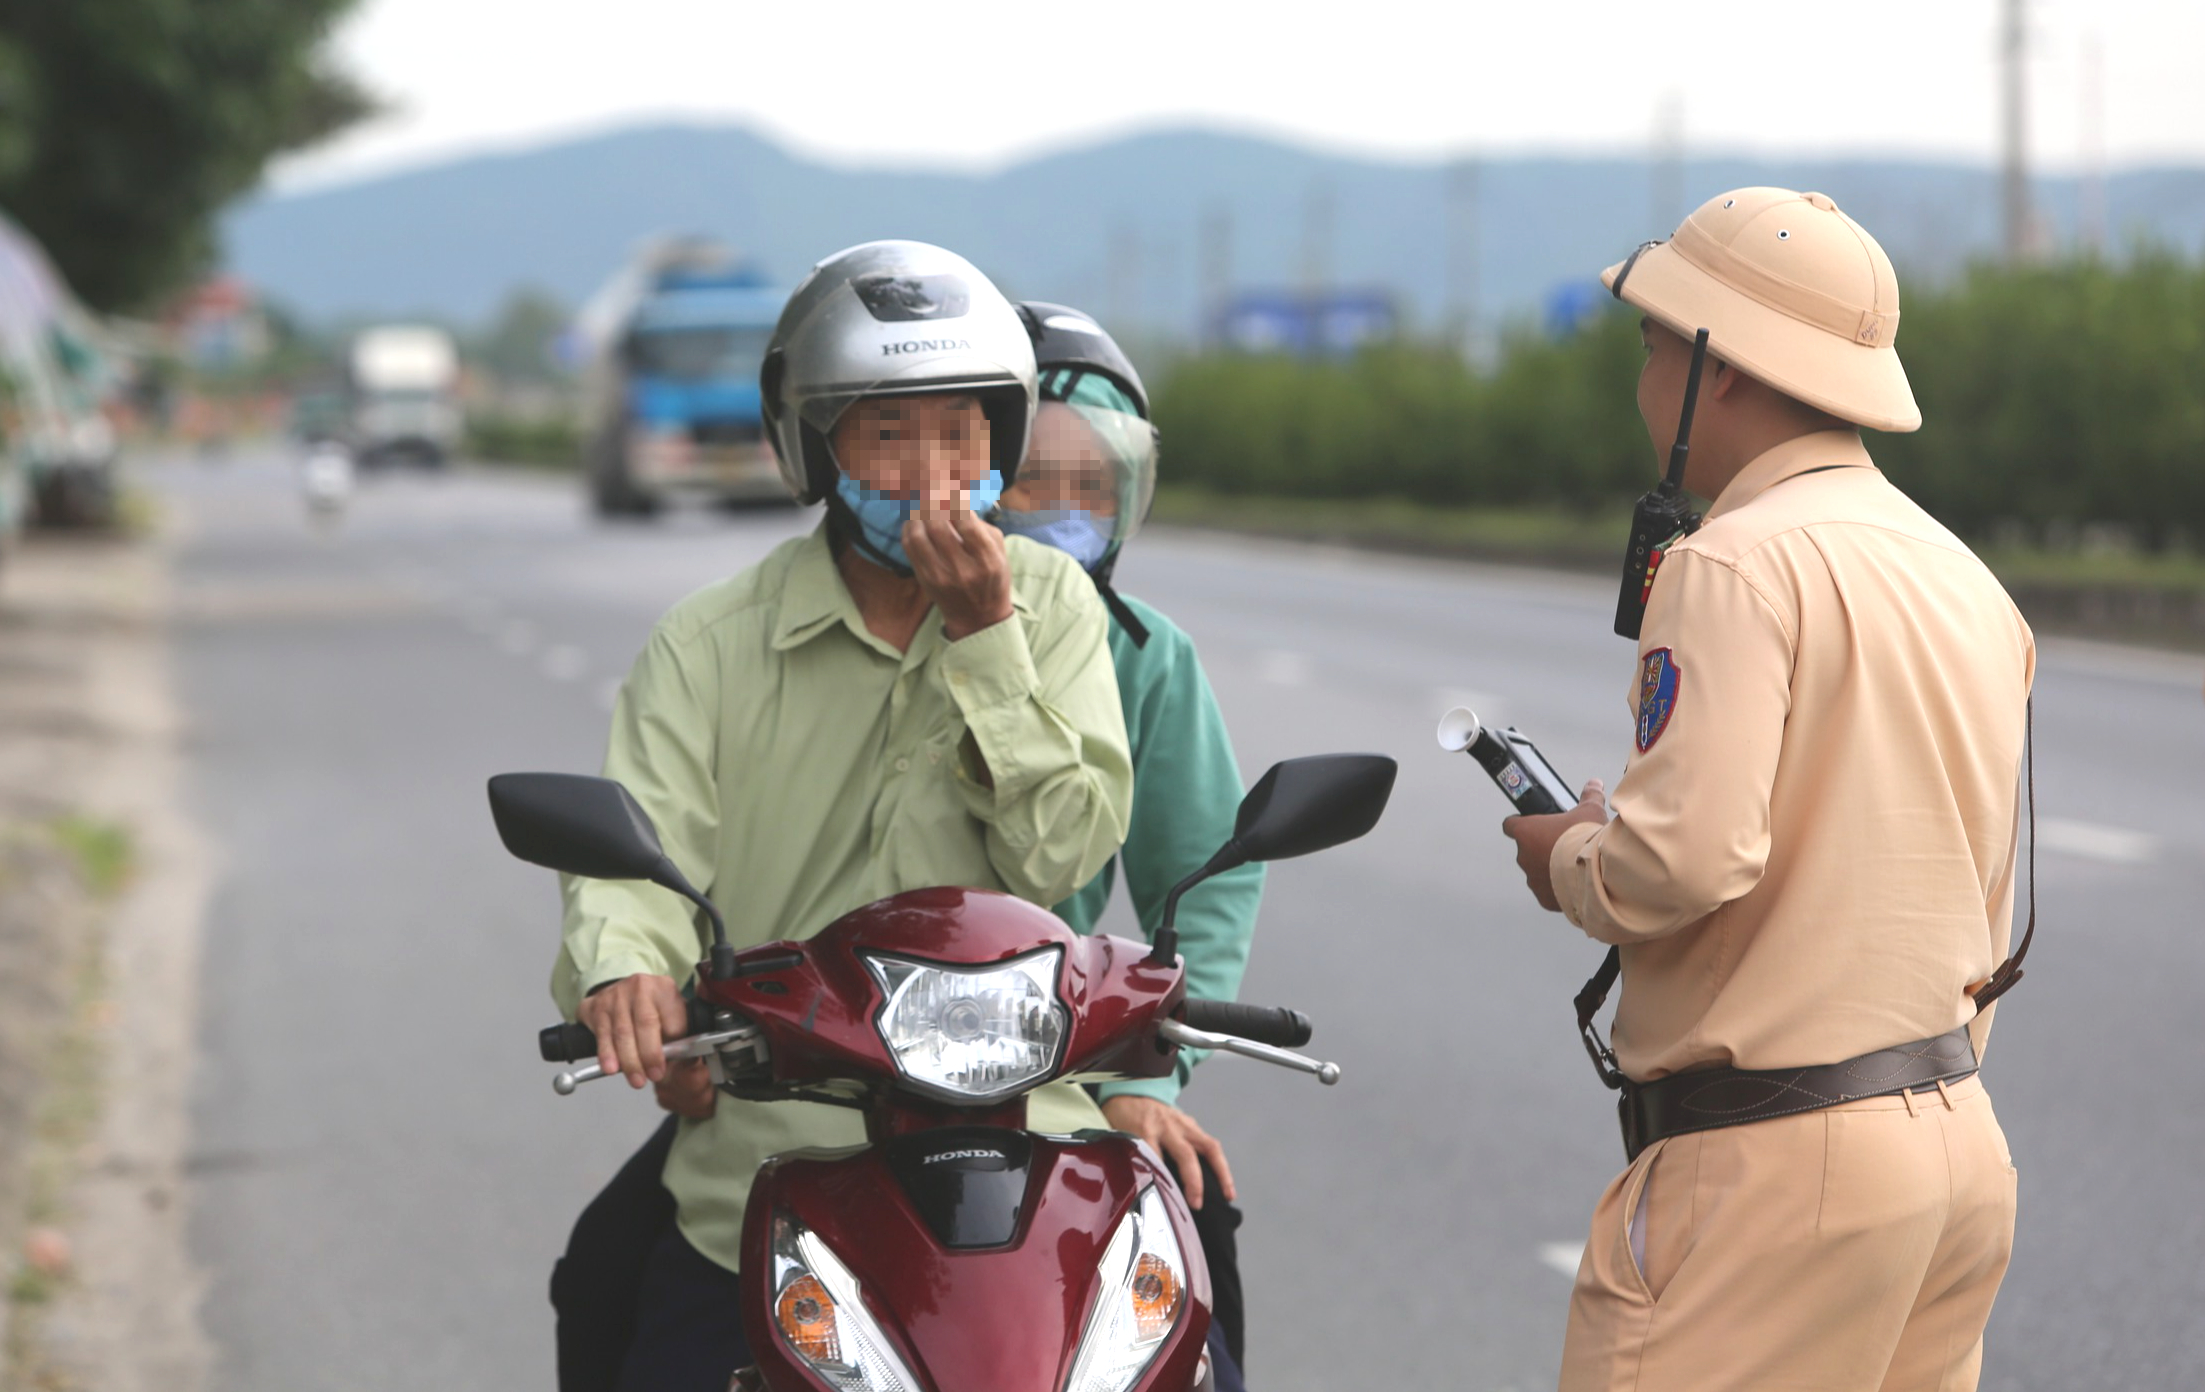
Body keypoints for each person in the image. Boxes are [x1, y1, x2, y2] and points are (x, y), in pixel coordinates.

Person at [547, 240, 1133, 1392]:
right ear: (814, 445)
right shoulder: (709, 643)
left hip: (1027, 1125)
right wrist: (630, 976)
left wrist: (986, 638)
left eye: (962, 433)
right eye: (889, 434)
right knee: (604, 1295)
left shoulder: (1055, 608)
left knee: (1195, 1312)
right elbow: (637, 857)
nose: (932, 472)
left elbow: (1064, 853)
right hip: (777, 1135)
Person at [1498, 188, 2035, 1391]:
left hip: (1773, 1169)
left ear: (1717, 364)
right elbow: (1979, 889)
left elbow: (1680, 863)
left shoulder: (1733, 565)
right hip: (1954, 1144)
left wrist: (1569, 856)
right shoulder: (1967, 579)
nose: (1646, 382)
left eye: (1653, 346)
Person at [996, 301, 1264, 1389]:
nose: (1063, 511)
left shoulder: (1146, 658)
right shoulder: (884, 623)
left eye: (1091, 486)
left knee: (1198, 1270)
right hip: (840, 1043)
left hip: (1045, 1049)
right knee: (623, 1272)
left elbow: (1206, 877)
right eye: (1031, 483)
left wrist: (1152, 1071)